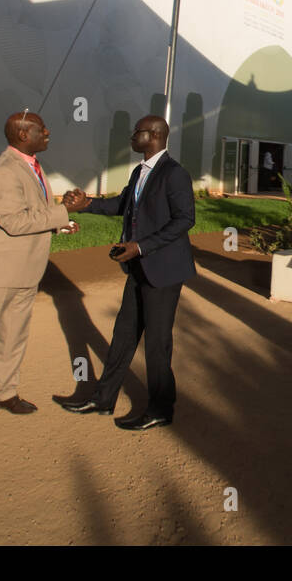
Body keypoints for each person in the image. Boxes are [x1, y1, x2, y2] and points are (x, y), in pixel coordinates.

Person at [56, 116, 197, 431]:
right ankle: (103, 398)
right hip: (139, 267)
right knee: (123, 336)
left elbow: (185, 219)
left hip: (163, 270)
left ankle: (161, 408)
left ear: (155, 135)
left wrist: (142, 246)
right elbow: (124, 204)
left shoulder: (174, 174)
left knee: (157, 343)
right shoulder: (139, 172)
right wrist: (88, 203)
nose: (132, 137)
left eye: (138, 132)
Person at [0, 110, 73, 435]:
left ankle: (3, 392)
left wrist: (63, 222)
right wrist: (64, 212)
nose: (47, 133)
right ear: (23, 135)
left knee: (13, 335)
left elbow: (33, 213)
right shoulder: (5, 170)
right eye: (41, 129)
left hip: (24, 271)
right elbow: (13, 222)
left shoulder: (31, 166)